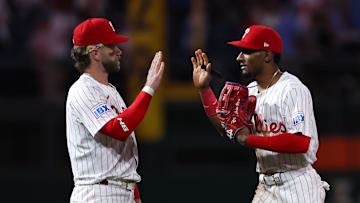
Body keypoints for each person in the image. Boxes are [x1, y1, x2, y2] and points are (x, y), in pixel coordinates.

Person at [192, 25, 330, 202]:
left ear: (267, 55)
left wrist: (248, 139)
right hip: (266, 185)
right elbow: (227, 130)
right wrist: (204, 90)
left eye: (247, 51)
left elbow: (300, 142)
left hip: (297, 184)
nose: (239, 57)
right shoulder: (250, 92)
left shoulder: (292, 89)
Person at [66, 18, 165, 203]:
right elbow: (117, 129)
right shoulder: (82, 89)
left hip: (120, 191)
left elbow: (121, 155)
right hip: (97, 193)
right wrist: (149, 89)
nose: (119, 51)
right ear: (95, 53)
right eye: (112, 46)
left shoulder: (110, 90)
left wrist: (133, 193)